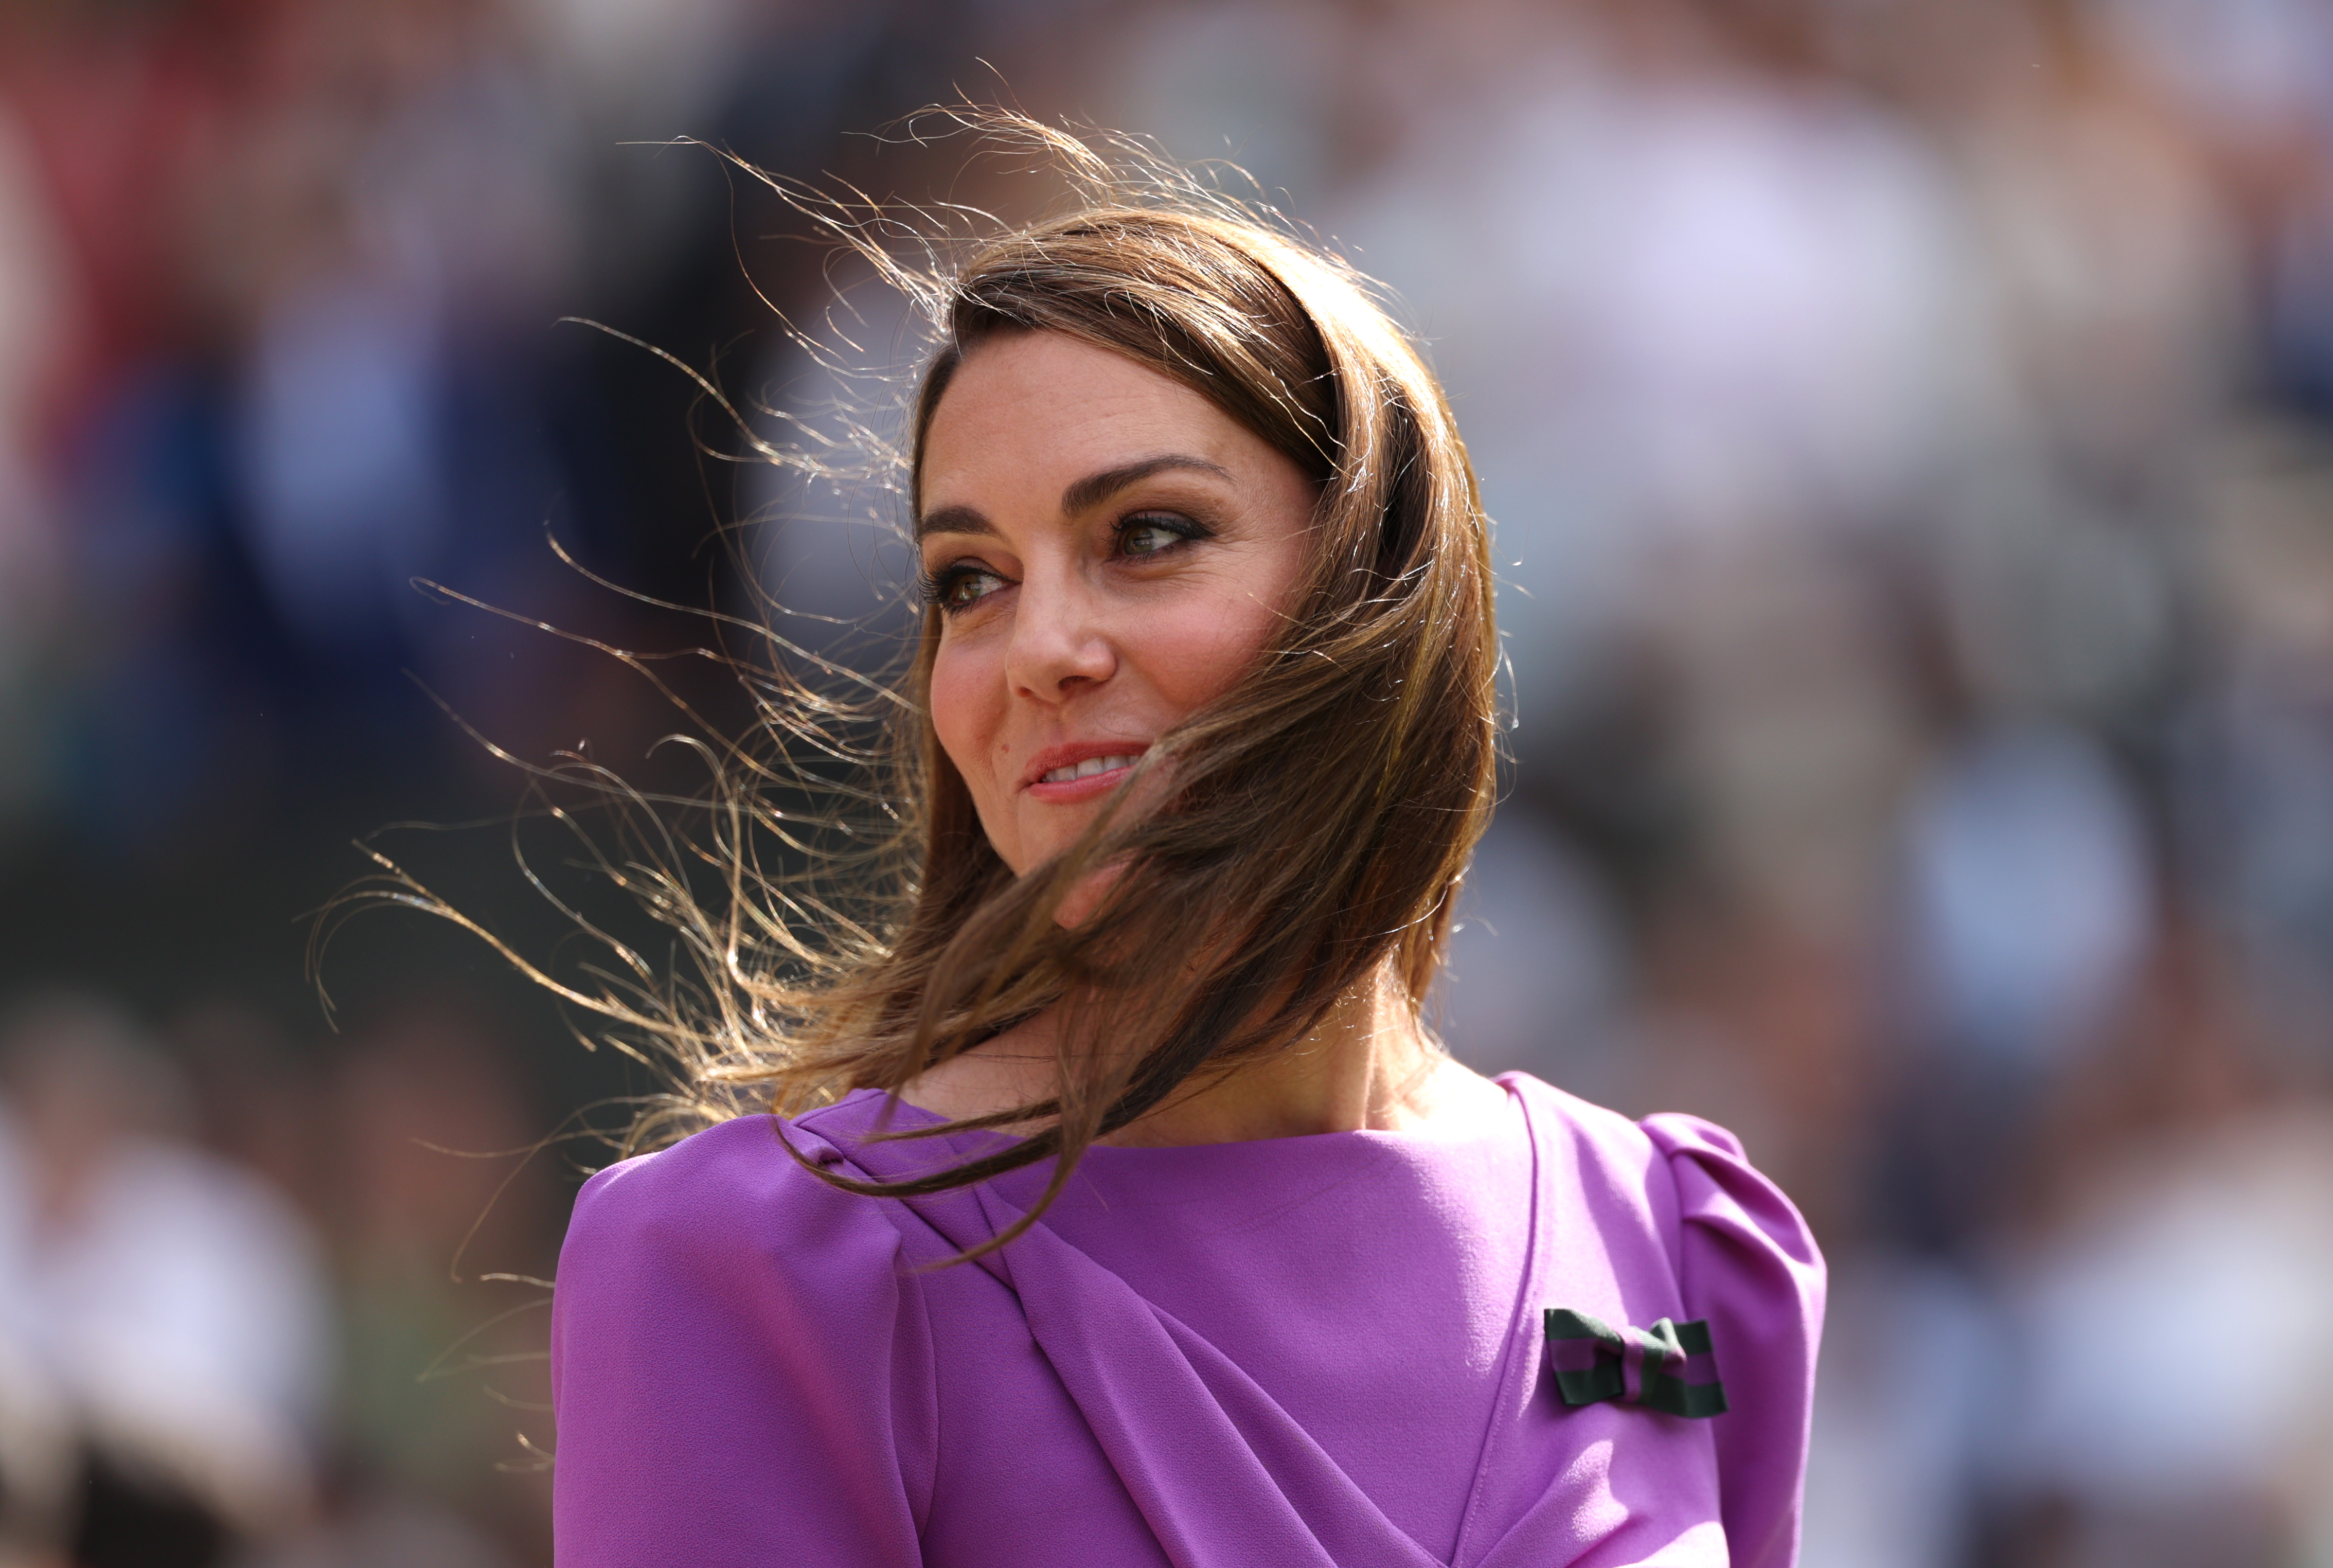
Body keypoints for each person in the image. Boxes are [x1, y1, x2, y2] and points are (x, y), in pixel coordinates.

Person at [546, 118, 1824, 1568]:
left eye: (1147, 536)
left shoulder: (1678, 1243)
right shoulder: (757, 1268)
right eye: (970, 580)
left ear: (1378, 581)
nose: (1042, 649)